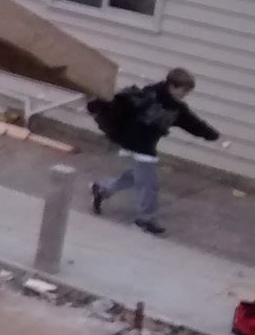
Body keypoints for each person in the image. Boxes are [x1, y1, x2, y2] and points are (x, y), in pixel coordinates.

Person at [87, 67, 219, 236]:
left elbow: (193, 124)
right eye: (183, 90)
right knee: (149, 184)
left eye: (188, 91)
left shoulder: (177, 108)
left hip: (146, 145)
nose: (185, 94)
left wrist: (211, 135)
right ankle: (145, 220)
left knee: (136, 176)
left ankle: (102, 189)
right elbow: (120, 102)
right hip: (135, 143)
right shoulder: (148, 96)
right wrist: (96, 105)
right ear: (172, 85)